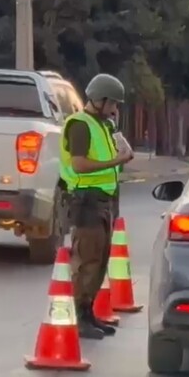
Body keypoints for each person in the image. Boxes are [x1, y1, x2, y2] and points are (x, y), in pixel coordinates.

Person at [59, 73, 133, 340]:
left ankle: (88, 313)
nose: (116, 109)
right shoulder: (80, 125)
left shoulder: (103, 125)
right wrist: (117, 162)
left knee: (100, 260)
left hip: (104, 199)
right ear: (100, 99)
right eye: (113, 103)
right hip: (86, 200)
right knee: (87, 260)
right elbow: (79, 164)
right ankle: (79, 317)